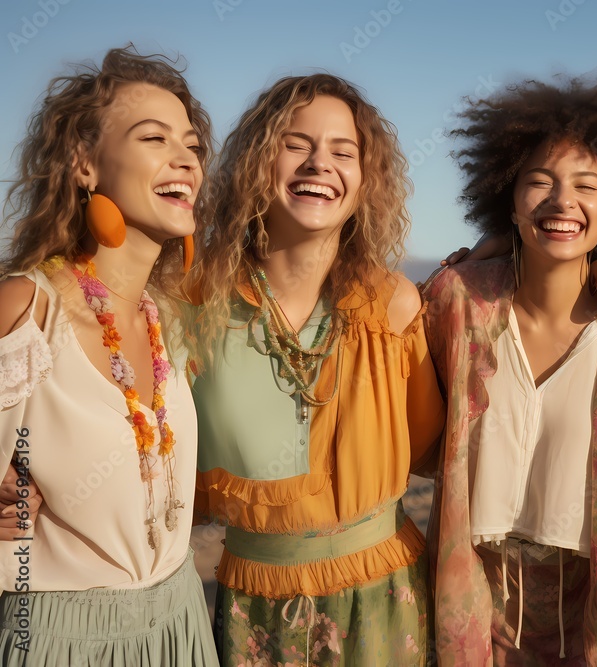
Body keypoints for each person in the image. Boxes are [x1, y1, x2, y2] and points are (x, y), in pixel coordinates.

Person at [422, 75, 597, 665]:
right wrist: (483, 250)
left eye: (585, 187)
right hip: (476, 612)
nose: (562, 201)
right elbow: (386, 349)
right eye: (539, 183)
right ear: (508, 202)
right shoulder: (457, 305)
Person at [189, 73, 445, 666]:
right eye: (296, 143)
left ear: (365, 180)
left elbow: (425, 447)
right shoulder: (193, 304)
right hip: (253, 595)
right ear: (258, 159)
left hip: (382, 593)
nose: (319, 164)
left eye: (343, 151)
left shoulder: (394, 304)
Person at [0, 46, 217, 665]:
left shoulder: (166, 320)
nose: (186, 159)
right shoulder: (25, 311)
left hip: (180, 624)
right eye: (155, 138)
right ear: (85, 164)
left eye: (193, 145)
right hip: (60, 638)